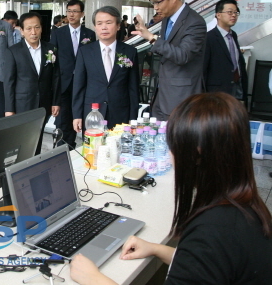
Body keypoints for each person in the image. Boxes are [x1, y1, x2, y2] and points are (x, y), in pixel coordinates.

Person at [70, 92, 272, 285]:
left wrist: (94, 278)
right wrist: (159, 250)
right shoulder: (245, 205)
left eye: (173, 147)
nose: (170, 157)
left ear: (196, 155)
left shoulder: (211, 233)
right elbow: (209, 267)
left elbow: (208, 254)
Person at [132, 0, 206, 121]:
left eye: (158, 2)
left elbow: (182, 56)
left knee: (177, 139)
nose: (156, 7)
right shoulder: (167, 19)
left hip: (181, 97)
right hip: (162, 94)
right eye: (152, 2)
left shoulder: (195, 22)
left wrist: (152, 38)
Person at [72, 6, 139, 130]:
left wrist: (133, 118)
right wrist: (77, 115)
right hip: (92, 113)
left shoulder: (130, 52)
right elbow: (78, 86)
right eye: (99, 23)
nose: (104, 27)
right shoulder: (85, 52)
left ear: (118, 26)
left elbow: (133, 87)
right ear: (95, 27)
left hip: (120, 113)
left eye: (109, 23)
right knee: (93, 148)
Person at [3, 12, 60, 155]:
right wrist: (9, 109)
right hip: (22, 103)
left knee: (38, 137)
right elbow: (9, 82)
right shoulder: (13, 51)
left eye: (37, 27)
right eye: (28, 28)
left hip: (43, 103)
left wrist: (56, 101)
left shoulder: (51, 49)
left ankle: (34, 163)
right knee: (20, 139)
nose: (33, 32)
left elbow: (56, 77)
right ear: (21, 31)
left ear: (41, 28)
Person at [50, 0, 96, 149]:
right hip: (64, 83)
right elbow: (52, 59)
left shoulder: (89, 34)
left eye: (75, 11)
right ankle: (64, 150)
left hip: (84, 83)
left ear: (82, 14)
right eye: (69, 11)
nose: (71, 14)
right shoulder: (57, 33)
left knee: (82, 118)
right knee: (64, 121)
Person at [203, 0, 247, 104]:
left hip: (236, 88)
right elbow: (203, 68)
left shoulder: (233, 35)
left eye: (236, 12)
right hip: (216, 92)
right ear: (218, 15)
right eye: (229, 12)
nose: (233, 15)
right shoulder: (209, 37)